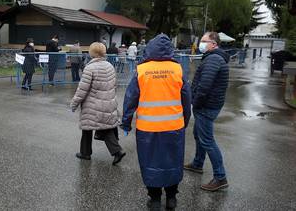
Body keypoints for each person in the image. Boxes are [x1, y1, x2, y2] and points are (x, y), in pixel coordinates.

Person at [121, 34, 192, 211]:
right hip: (173, 127)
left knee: (150, 161)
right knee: (172, 161)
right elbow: (186, 99)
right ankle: (171, 198)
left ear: (150, 48)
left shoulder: (142, 70)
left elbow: (130, 98)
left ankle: (154, 199)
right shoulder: (177, 69)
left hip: (148, 127)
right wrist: (185, 121)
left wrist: (126, 122)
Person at [184, 31, 230, 192]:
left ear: (214, 44)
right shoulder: (213, 58)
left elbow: (204, 86)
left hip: (206, 106)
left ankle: (220, 177)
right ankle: (197, 163)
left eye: (204, 41)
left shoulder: (213, 59)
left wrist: (195, 103)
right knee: (199, 135)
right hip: (209, 105)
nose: (200, 44)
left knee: (207, 141)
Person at [70, 42, 126, 165]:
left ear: (93, 53)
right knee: (105, 128)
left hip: (92, 104)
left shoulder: (90, 68)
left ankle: (86, 153)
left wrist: (74, 103)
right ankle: (117, 151)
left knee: (88, 128)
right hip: (108, 102)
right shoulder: (109, 66)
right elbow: (113, 85)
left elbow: (82, 89)